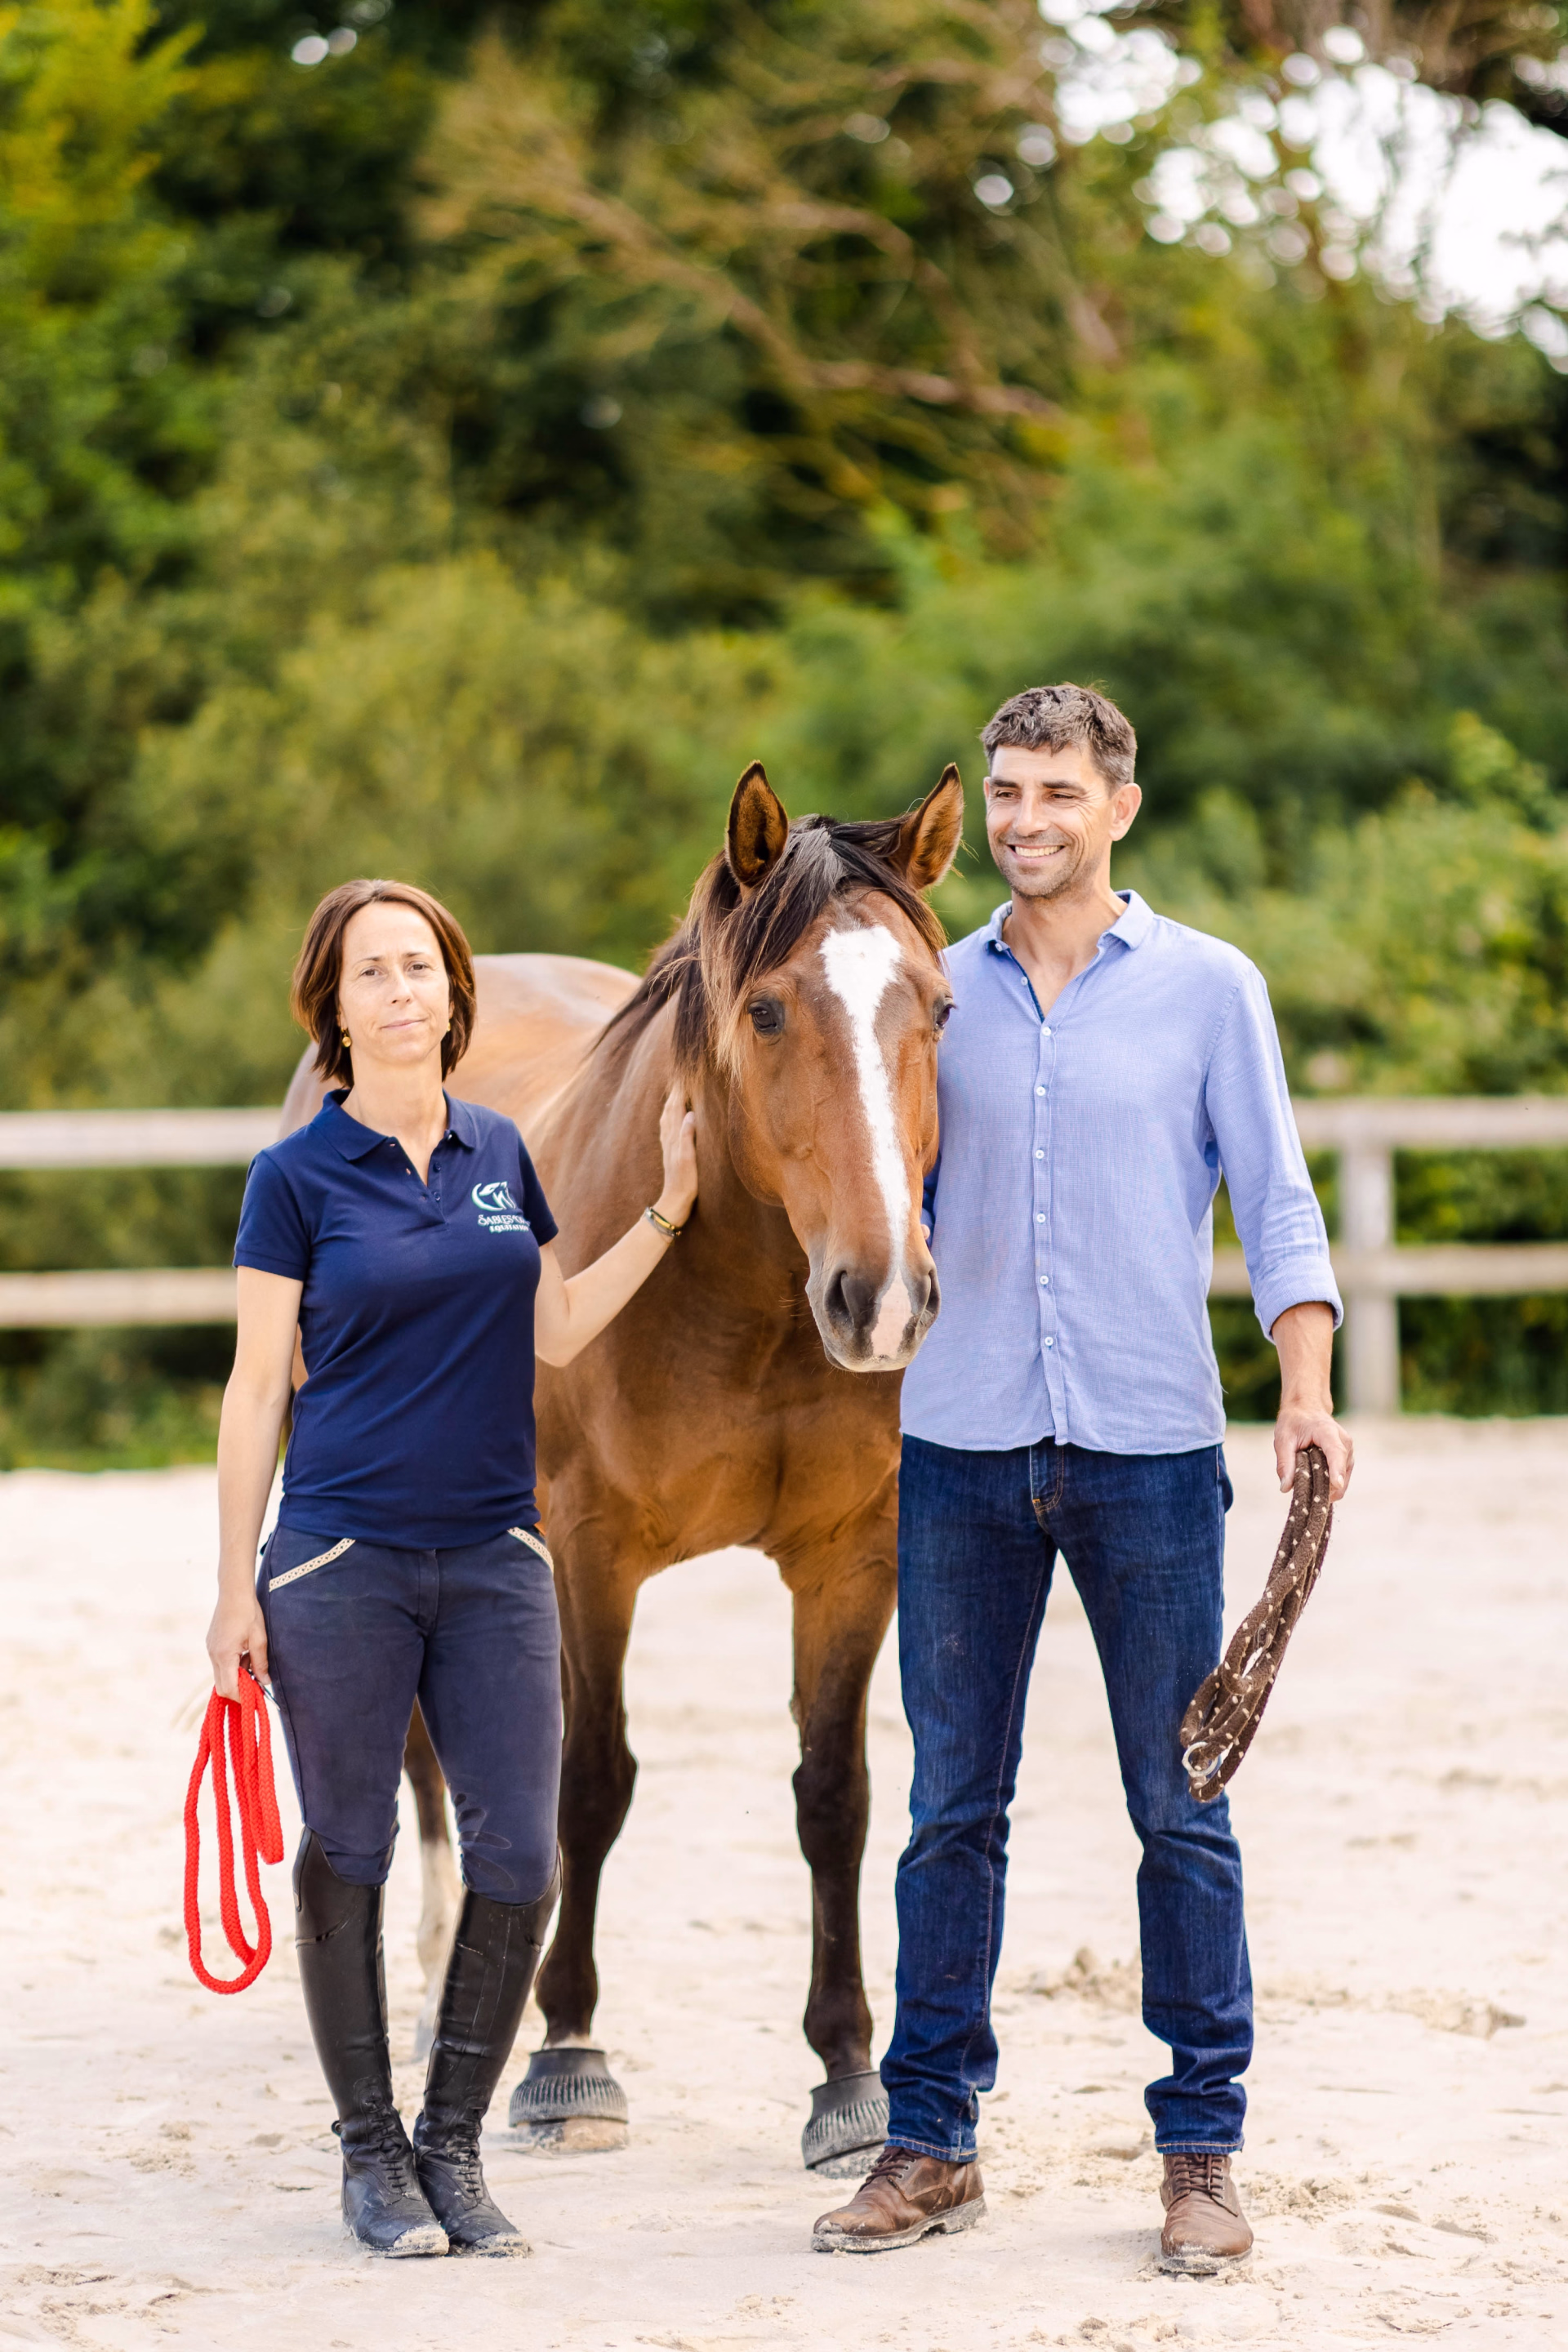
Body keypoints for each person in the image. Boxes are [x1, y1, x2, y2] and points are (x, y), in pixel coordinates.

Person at [813, 684, 1353, 2270]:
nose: (1024, 818)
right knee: (946, 1812)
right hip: (962, 1449)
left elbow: (1281, 1201)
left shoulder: (1207, 990)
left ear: (1121, 803)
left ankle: (1201, 2152)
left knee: (1181, 1811)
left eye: (1056, 790)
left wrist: (1308, 1391)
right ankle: (929, 2142)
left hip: (1150, 1456)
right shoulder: (935, 991)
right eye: (1004, 791)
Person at [206, 877, 697, 2260]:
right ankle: (371, 2158)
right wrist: (235, 1586)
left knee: (522, 1858)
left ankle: (451, 2149)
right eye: (373, 972)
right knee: (350, 1852)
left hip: (495, 1560)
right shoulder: (294, 1177)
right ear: (335, 1006)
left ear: (452, 993)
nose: (402, 991)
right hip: (341, 1558)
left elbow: (552, 1329)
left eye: (420, 967)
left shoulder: (496, 1151)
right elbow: (255, 1393)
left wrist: (665, 1211)